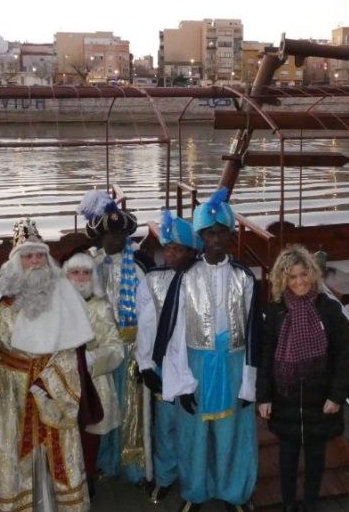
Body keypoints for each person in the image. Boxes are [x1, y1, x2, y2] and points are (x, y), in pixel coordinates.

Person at [0, 218, 95, 511]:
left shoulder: (64, 293)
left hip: (50, 389)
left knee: (54, 454)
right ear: (16, 262)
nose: (36, 261)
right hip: (9, 393)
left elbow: (70, 352)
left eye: (40, 255)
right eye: (28, 256)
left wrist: (47, 384)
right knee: (13, 454)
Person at [154, 187, 262, 512]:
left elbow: (254, 334)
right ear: (201, 235)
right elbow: (173, 336)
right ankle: (194, 492)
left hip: (233, 361)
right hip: (196, 363)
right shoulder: (185, 277)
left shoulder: (245, 278)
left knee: (233, 433)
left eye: (222, 232)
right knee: (194, 434)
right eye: (210, 233)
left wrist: (249, 382)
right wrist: (182, 383)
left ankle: (234, 492)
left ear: (230, 235)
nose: (216, 239)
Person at [256, 245, 349, 512]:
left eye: (303, 275)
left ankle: (310, 505)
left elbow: (343, 356)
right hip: (285, 398)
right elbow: (265, 358)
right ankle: (289, 505)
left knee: (315, 460)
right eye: (292, 277)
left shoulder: (329, 309)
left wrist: (337, 395)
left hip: (319, 398)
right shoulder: (275, 312)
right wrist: (263, 396)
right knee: (286, 461)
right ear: (282, 279)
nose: (299, 282)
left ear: (312, 275)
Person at [77, 191, 158, 486]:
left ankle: (133, 466)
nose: (116, 240)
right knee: (103, 406)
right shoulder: (89, 266)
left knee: (131, 408)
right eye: (111, 234)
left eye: (121, 234)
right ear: (100, 236)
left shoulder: (138, 266)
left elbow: (149, 311)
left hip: (132, 346)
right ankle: (103, 461)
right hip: (99, 349)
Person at [143, 209, 201, 504]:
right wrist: (145, 364)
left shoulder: (200, 280)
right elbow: (146, 323)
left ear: (193, 251)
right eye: (167, 248)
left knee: (191, 426)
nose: (171, 254)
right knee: (164, 423)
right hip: (164, 363)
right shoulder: (153, 280)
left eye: (178, 249)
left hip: (194, 362)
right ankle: (165, 476)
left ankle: (193, 481)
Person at [64, 252, 124, 494]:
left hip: (93, 380)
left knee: (89, 433)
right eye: (75, 272)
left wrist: (93, 358)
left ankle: (87, 477)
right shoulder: (56, 306)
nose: (80, 277)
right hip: (63, 381)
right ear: (65, 275)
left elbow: (115, 347)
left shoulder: (101, 307)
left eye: (86, 272)